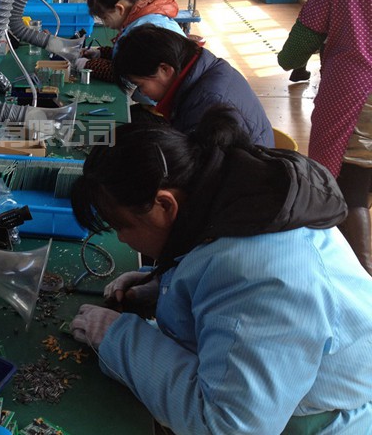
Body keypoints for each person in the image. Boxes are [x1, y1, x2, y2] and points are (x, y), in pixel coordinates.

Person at [68, 107, 372, 434]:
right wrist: (166, 286)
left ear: (164, 205)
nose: (122, 240)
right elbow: (211, 262)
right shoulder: (227, 195)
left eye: (122, 226)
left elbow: (226, 426)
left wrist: (117, 338)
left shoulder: (262, 280)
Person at [278, 0, 372, 275]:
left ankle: (360, 275)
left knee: (350, 185)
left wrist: (289, 59)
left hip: (355, 90)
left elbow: (310, 28)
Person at [112, 24, 274, 146]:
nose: (141, 93)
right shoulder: (207, 70)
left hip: (245, 176)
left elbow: (201, 171)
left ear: (165, 69)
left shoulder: (206, 104)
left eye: (140, 85)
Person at [76, 0, 185, 82]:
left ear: (119, 9)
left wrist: (88, 65)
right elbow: (134, 56)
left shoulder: (143, 30)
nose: (105, 24)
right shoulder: (144, 17)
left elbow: (127, 72)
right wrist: (101, 53)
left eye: (105, 18)